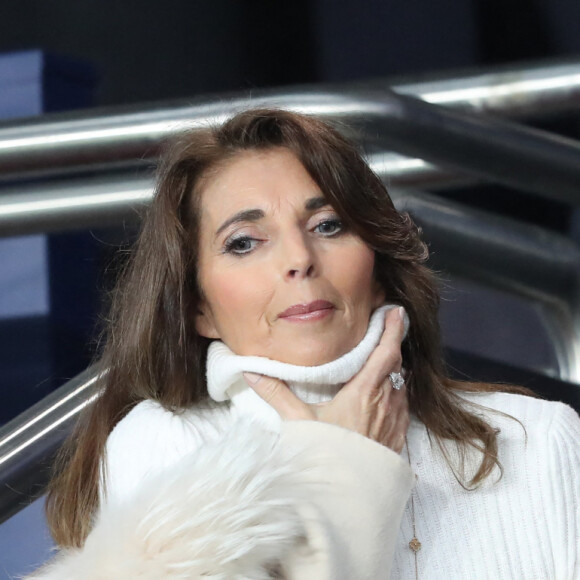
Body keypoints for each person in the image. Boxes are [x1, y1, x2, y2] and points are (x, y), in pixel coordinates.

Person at [28, 109, 579, 579]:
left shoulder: (541, 439)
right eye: (244, 243)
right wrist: (347, 468)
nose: (299, 258)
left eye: (329, 225)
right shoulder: (165, 445)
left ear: (380, 266)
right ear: (200, 308)